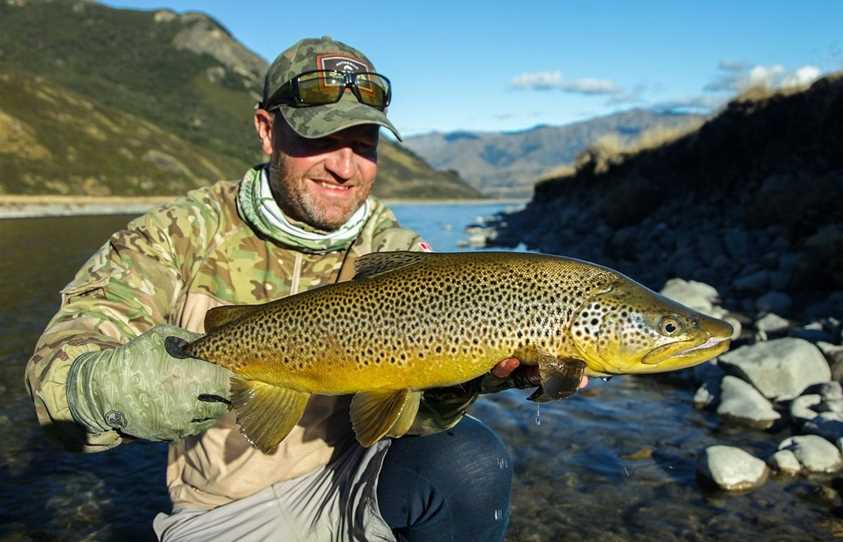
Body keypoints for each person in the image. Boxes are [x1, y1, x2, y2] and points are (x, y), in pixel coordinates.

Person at [24, 36, 583, 541]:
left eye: (364, 144)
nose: (346, 167)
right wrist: (118, 389)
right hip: (222, 510)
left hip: (355, 478)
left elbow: (414, 421)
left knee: (472, 460)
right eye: (323, 140)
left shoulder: (397, 253)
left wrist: (466, 380)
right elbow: (52, 386)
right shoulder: (176, 235)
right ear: (268, 130)